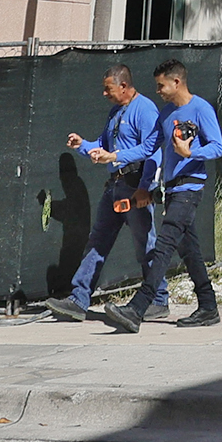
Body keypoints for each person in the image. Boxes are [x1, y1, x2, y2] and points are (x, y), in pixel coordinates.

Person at [46, 64, 159, 331]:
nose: (104, 94)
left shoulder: (145, 110)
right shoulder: (115, 112)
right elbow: (104, 146)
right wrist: (83, 145)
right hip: (115, 186)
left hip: (134, 186)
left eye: (108, 89)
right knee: (97, 242)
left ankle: (158, 297)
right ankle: (79, 299)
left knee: (145, 244)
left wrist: (145, 187)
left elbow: (152, 151)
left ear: (123, 86)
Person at [150, 58, 222, 329]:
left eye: (161, 86)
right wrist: (110, 154)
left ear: (176, 82)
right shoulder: (166, 114)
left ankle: (141, 303)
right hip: (171, 189)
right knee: (190, 252)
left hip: (189, 187)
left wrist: (191, 152)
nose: (158, 91)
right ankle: (208, 307)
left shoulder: (201, 108)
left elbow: (218, 147)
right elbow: (151, 146)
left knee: (165, 242)